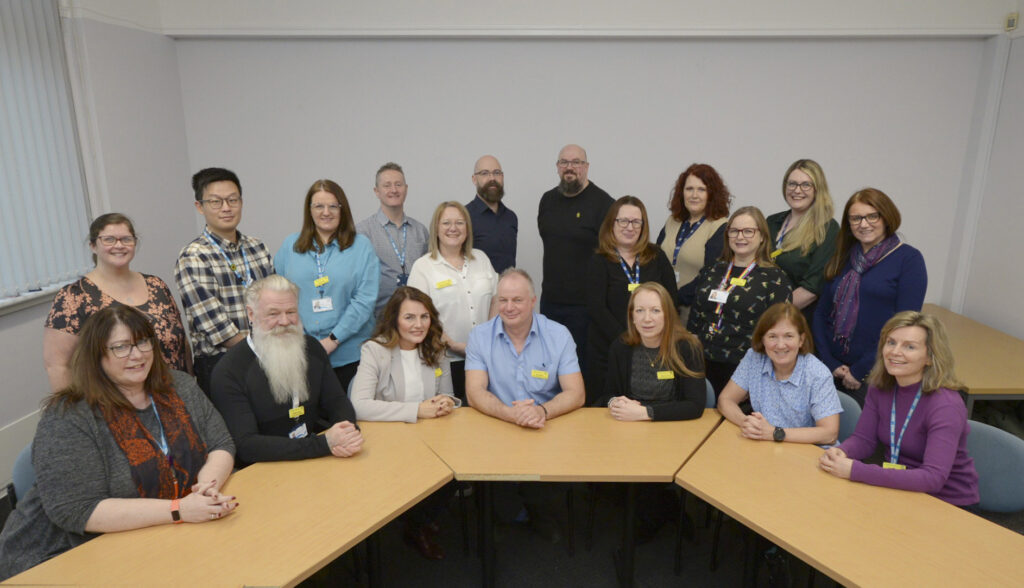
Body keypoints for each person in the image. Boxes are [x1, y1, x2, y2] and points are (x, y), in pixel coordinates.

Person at [0, 306, 236, 581]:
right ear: (97, 356)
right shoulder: (69, 416)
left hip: (153, 536)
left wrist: (207, 486)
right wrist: (179, 510)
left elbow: (221, 442)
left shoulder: (179, 386)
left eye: (142, 342)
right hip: (58, 557)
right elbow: (76, 510)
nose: (136, 355)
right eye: (121, 347)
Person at [465, 268, 585, 540]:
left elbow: (576, 393)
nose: (509, 308)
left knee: (545, 499)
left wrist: (541, 411)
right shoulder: (480, 337)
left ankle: (537, 509)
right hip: (498, 428)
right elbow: (474, 393)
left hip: (546, 427)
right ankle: (514, 508)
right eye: (503, 300)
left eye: (517, 300)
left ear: (533, 301)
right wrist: (511, 414)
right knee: (501, 510)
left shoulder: (558, 335)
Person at [819, 311, 979, 507]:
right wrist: (841, 452)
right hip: (897, 489)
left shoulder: (945, 404)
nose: (895, 352)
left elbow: (933, 478)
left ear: (929, 357)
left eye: (909, 347)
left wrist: (855, 470)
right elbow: (864, 440)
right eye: (891, 342)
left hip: (945, 502)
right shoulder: (880, 387)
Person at [349, 287, 458, 560]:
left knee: (455, 473)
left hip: (429, 439)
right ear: (395, 319)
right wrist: (417, 411)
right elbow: (358, 405)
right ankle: (415, 524)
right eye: (409, 317)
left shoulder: (436, 348)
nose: (418, 325)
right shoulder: (375, 350)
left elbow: (448, 394)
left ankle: (417, 522)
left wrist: (448, 402)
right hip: (387, 440)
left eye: (424, 317)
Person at [210, 275, 362, 467]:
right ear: (251, 314)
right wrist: (323, 444)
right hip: (264, 470)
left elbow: (338, 402)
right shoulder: (228, 372)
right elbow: (247, 445)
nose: (284, 321)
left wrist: (347, 433)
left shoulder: (311, 348)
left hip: (315, 457)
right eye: (273, 314)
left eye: (291, 311)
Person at [45, 213, 189, 391]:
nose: (119, 245)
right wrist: (70, 413)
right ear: (93, 246)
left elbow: (181, 342)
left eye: (126, 239)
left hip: (173, 392)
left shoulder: (156, 285)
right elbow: (58, 365)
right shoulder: (73, 297)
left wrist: (191, 386)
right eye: (109, 239)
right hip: (113, 403)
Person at [813, 188, 927, 406]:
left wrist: (860, 370)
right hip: (831, 369)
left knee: (865, 437)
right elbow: (820, 313)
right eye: (856, 218)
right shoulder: (842, 256)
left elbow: (905, 326)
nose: (863, 224)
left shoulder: (908, 260)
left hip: (878, 372)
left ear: (886, 217)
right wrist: (829, 361)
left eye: (872, 216)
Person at [175, 167, 274, 394]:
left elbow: (275, 304)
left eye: (232, 200)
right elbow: (215, 326)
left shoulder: (257, 247)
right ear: (199, 207)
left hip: (268, 355)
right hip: (223, 362)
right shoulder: (193, 255)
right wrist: (260, 354)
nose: (226, 208)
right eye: (216, 202)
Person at [275, 179, 379, 392]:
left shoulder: (361, 247)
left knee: (353, 420)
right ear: (309, 210)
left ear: (343, 209)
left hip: (351, 355)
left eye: (333, 206)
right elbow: (280, 296)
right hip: (303, 355)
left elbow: (364, 301)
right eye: (319, 206)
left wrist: (332, 340)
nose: (326, 212)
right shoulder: (290, 246)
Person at [687, 206, 792, 395]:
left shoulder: (775, 278)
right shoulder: (713, 270)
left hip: (746, 368)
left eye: (748, 231)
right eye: (734, 231)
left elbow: (780, 331)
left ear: (762, 236)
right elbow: (696, 316)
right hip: (703, 362)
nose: (740, 237)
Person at [585, 196, 676, 405]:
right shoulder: (599, 260)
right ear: (612, 224)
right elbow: (596, 308)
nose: (630, 227)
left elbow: (670, 300)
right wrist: (628, 339)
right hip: (608, 350)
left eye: (636, 222)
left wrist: (647, 339)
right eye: (623, 221)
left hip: (653, 349)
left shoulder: (656, 256)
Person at [408, 202, 498, 402]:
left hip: (486, 358)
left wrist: (488, 338)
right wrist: (455, 345)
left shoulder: (481, 259)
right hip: (446, 361)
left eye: (459, 222)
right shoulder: (423, 267)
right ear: (436, 229)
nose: (453, 228)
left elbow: (496, 299)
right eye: (446, 223)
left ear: (467, 228)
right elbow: (419, 317)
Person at [718, 302, 842, 445]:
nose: (781, 345)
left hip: (807, 452)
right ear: (762, 339)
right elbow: (725, 400)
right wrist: (748, 424)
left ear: (801, 340)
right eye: (772, 336)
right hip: (766, 444)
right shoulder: (754, 358)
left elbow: (829, 434)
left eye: (788, 336)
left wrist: (774, 433)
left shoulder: (817, 373)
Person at [537, 144, 614, 367]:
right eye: (564, 162)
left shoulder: (604, 204)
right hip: (551, 303)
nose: (570, 167)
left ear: (586, 167)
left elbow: (611, 255)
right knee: (550, 366)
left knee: (582, 368)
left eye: (576, 162)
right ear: (557, 167)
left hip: (586, 307)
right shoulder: (547, 200)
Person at [601, 282, 705, 421]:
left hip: (673, 425)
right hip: (629, 424)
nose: (647, 318)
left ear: (667, 315)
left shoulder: (688, 348)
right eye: (639, 310)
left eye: (655, 310)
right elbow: (609, 394)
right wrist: (614, 402)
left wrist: (646, 413)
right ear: (632, 317)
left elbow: (695, 406)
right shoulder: (621, 347)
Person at [765, 159, 839, 325]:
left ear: (817, 190)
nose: (797, 190)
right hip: (761, 317)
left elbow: (812, 289)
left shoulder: (827, 229)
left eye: (806, 185)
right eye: (792, 184)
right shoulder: (771, 222)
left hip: (796, 321)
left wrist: (771, 315)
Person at [658, 163, 731, 323]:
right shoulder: (672, 221)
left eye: (701, 189)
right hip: (662, 306)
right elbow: (655, 260)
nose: (694, 195)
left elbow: (711, 275)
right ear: (681, 192)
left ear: (712, 194)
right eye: (689, 189)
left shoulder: (719, 226)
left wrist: (676, 297)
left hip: (692, 311)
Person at [355, 162, 430, 318]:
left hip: (416, 318)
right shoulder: (362, 232)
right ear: (376, 191)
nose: (394, 190)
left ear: (406, 189)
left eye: (398, 184)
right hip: (379, 318)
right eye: (387, 185)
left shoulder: (420, 231)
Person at [466, 155, 517, 274]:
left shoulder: (511, 217)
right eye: (484, 173)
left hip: (506, 290)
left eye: (497, 173)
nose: (492, 178)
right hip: (477, 291)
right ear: (474, 179)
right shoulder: (464, 217)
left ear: (502, 177)